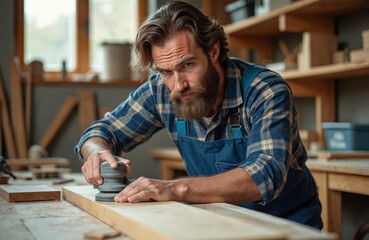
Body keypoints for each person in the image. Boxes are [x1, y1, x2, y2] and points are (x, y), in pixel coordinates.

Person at [75, 0, 323, 229]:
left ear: (213, 51)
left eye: (187, 66)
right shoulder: (161, 91)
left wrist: (175, 188)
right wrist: (96, 153)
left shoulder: (265, 90)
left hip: (286, 224)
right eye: (166, 71)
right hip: (220, 221)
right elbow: (100, 132)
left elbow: (265, 174)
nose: (178, 85)